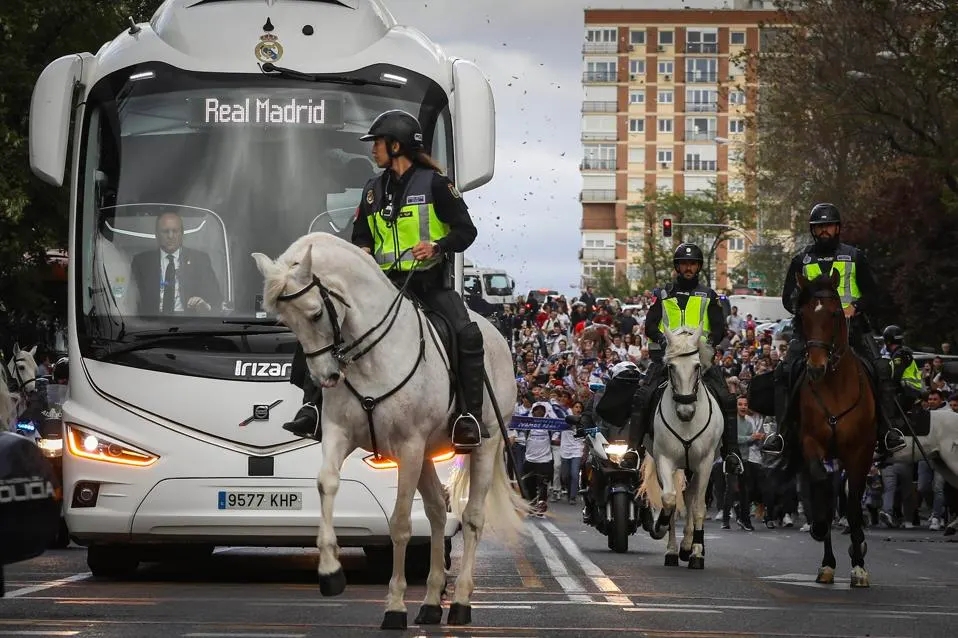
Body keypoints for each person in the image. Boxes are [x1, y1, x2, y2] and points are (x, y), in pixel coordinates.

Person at [282, 110, 485, 452]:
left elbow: (466, 231)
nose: (372, 150)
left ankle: (467, 416)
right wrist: (362, 251)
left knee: (467, 333)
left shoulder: (436, 184)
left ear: (396, 146)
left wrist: (437, 246)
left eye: (376, 143)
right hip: (382, 288)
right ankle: (311, 407)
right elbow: (361, 234)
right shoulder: (373, 190)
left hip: (428, 284)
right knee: (321, 323)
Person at [762, 203, 907, 457]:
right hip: (813, 334)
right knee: (784, 371)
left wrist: (856, 307)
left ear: (837, 228)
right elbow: (788, 298)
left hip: (853, 329)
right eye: (819, 228)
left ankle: (887, 430)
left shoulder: (855, 256)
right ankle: (781, 432)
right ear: (812, 231)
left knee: (881, 368)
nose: (824, 231)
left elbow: (873, 292)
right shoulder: (801, 259)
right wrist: (806, 308)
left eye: (828, 226)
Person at [627, 243, 743, 476]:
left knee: (727, 399)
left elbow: (719, 329)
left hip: (698, 359)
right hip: (667, 359)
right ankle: (634, 451)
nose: (688, 268)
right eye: (684, 264)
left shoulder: (708, 296)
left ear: (698, 267)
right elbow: (650, 325)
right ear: (677, 267)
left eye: (692, 264)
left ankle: (731, 453)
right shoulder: (663, 294)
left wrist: (704, 344)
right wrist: (661, 339)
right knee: (643, 396)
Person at [131, 211, 222, 314]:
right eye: (165, 231)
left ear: (182, 233)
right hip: (151, 324)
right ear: (156, 234)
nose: (170, 236)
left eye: (175, 231)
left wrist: (205, 306)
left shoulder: (200, 260)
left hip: (189, 324)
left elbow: (216, 300)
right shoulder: (141, 262)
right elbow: (131, 301)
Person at [881, 325, 924, 415]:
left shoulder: (899, 355)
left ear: (888, 341)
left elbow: (895, 376)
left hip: (907, 392)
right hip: (911, 392)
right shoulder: (902, 352)